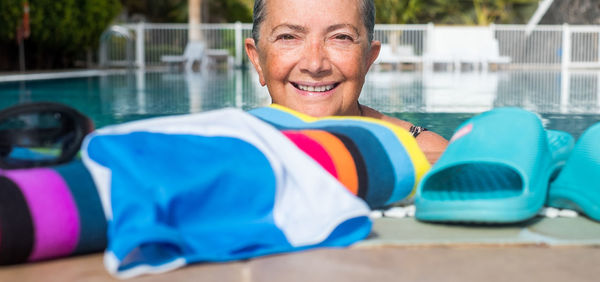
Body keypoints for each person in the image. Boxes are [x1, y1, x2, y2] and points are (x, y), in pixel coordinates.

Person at [245, 0, 448, 164]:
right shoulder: (227, 147)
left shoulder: (430, 157)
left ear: (368, 58)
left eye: (341, 37)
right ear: (257, 59)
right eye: (288, 37)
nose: (315, 64)